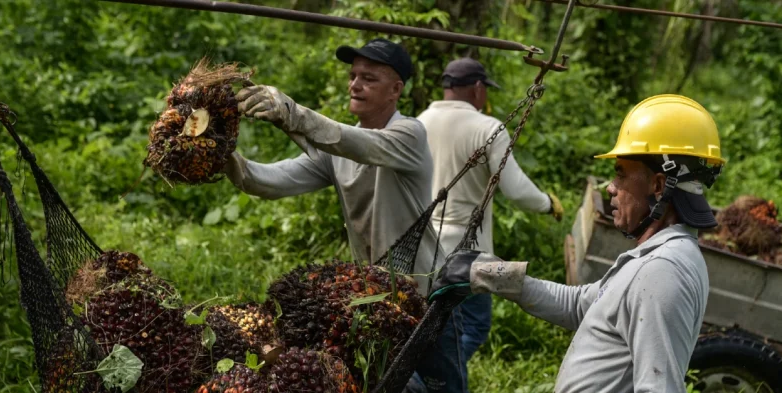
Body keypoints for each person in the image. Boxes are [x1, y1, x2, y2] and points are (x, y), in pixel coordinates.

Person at [428, 94, 726, 393]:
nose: (611, 187)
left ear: (658, 186)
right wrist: (492, 275)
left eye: (620, 174)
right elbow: (581, 305)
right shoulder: (659, 256)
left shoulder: (662, 272)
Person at [227, 37, 463, 393]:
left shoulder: (409, 134)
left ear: (395, 90)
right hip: (375, 303)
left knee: (443, 388)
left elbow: (356, 143)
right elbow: (267, 182)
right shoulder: (336, 150)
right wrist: (224, 154)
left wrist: (292, 113)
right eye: (353, 76)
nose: (355, 84)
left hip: (428, 298)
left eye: (369, 78)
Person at [414, 56, 563, 386]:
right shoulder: (487, 127)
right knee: (475, 325)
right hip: (468, 252)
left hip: (423, 247)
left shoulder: (419, 121)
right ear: (478, 89)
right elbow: (516, 189)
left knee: (431, 324)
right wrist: (547, 203)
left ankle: (426, 375)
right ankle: (430, 380)